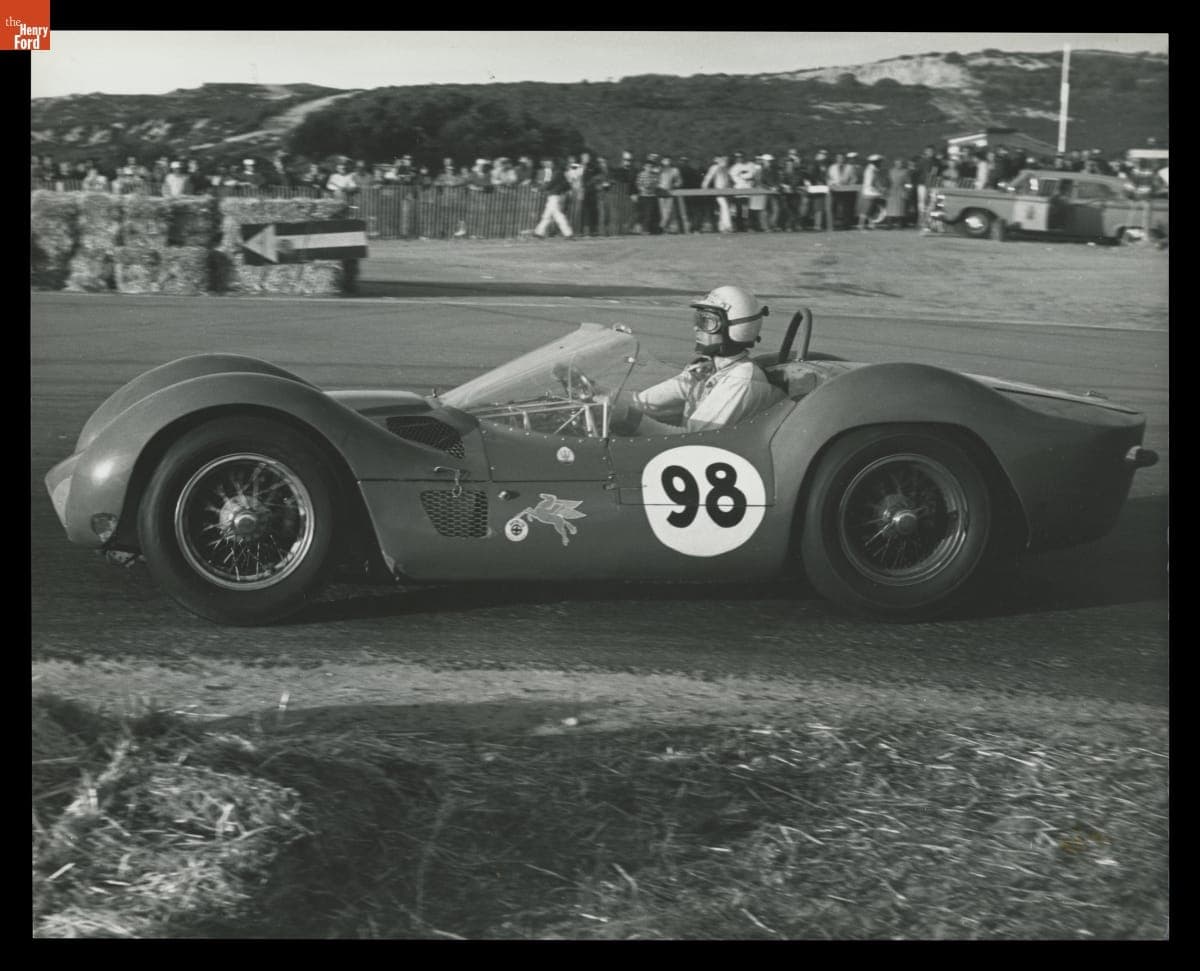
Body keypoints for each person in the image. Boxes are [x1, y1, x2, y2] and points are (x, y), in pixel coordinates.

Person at [612, 285, 783, 435]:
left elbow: (693, 439)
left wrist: (628, 417)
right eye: (697, 319)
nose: (696, 328)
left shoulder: (741, 378)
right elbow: (643, 403)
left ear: (735, 328)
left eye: (706, 322)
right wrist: (596, 395)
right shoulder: (707, 368)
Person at [533, 159, 574, 238]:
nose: (548, 165)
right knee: (547, 216)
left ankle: (568, 233)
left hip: (553, 196)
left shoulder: (557, 173)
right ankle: (538, 232)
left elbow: (550, 184)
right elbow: (567, 185)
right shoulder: (560, 173)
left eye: (549, 163)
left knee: (556, 216)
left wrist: (539, 189)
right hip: (555, 196)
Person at [701, 154, 733, 233]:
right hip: (718, 191)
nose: (725, 161)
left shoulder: (726, 168)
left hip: (727, 191)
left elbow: (728, 179)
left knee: (724, 208)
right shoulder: (715, 167)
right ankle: (728, 226)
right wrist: (704, 187)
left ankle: (722, 227)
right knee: (724, 206)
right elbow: (708, 177)